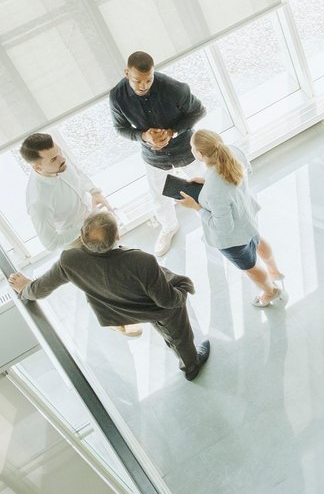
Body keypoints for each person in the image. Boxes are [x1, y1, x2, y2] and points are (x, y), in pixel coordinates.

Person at [7, 212, 211, 379]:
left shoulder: (69, 260)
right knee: (179, 336)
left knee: (168, 332)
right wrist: (182, 291)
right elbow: (167, 302)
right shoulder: (142, 261)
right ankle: (191, 365)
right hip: (157, 310)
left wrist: (25, 288)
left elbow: (41, 288)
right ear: (118, 237)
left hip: (119, 309)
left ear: (81, 235)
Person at [108, 51, 206, 256]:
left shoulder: (173, 88)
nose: (143, 86)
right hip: (153, 155)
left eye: (148, 80)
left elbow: (199, 111)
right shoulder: (117, 96)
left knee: (203, 184)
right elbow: (120, 128)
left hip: (185, 148)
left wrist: (172, 132)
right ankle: (169, 227)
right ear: (127, 73)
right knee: (159, 197)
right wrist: (143, 135)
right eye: (137, 81)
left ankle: (209, 218)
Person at [175, 130, 286, 308]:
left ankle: (269, 292)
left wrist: (196, 207)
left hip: (234, 239)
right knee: (257, 242)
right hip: (247, 217)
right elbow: (231, 183)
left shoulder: (213, 190)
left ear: (200, 154)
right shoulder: (234, 153)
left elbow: (224, 228)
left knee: (250, 268)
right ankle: (274, 271)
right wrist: (205, 182)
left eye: (192, 147)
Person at [20, 133, 114, 253]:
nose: (62, 159)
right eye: (53, 159)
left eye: (59, 152)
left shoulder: (57, 157)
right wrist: (84, 223)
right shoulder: (38, 202)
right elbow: (51, 244)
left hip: (93, 217)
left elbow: (77, 172)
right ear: (38, 168)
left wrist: (94, 192)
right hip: (77, 240)